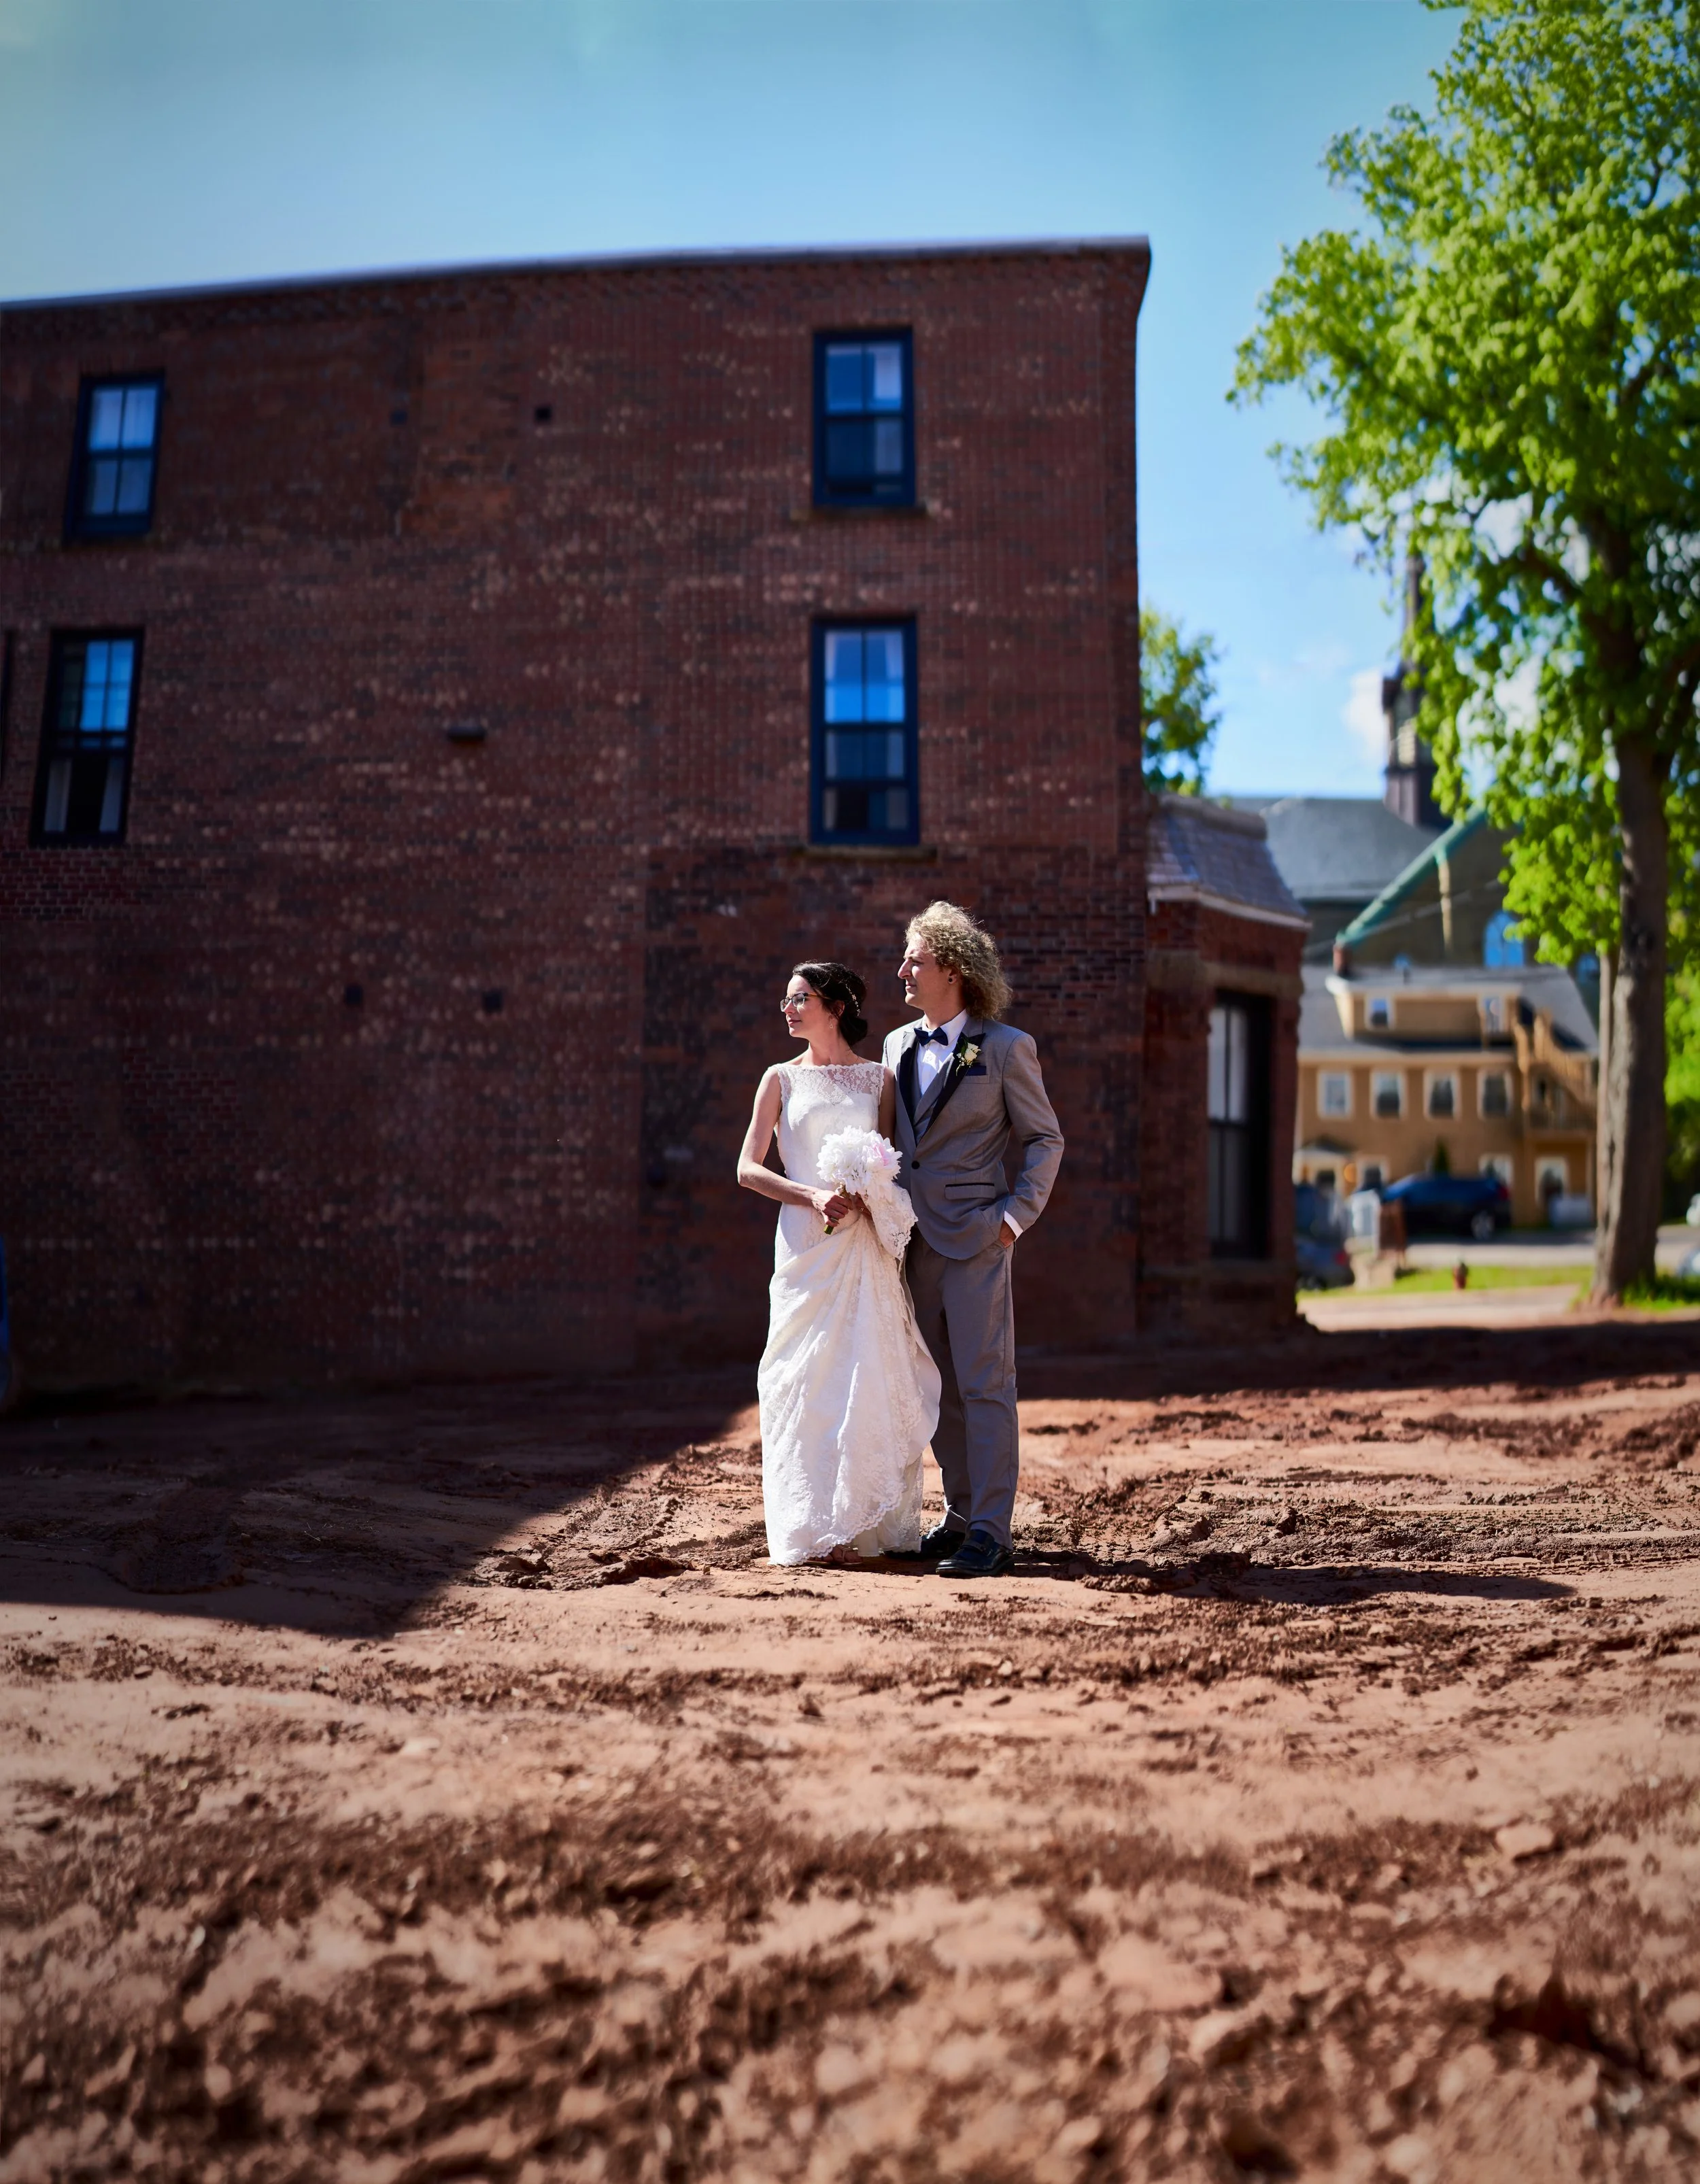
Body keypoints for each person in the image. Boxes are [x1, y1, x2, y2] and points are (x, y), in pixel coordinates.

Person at [736, 961, 941, 1565]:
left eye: (800, 998)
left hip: (863, 1250)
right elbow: (747, 1168)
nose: (788, 1008)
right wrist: (813, 1195)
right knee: (800, 1378)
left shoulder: (879, 1080)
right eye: (786, 997)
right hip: (805, 1248)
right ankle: (808, 1526)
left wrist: (868, 1188)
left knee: (865, 1377)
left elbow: (890, 1161)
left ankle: (864, 1527)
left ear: (835, 1006)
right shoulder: (779, 1080)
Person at [883, 904, 1063, 1578]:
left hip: (978, 1241)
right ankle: (959, 1518)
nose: (902, 969)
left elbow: (1045, 1139)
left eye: (914, 959)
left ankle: (992, 1530)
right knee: (938, 1390)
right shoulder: (897, 1045)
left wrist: (1014, 1218)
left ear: (953, 970)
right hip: (911, 1246)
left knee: (986, 1385)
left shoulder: (1006, 1047)